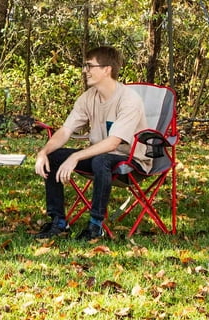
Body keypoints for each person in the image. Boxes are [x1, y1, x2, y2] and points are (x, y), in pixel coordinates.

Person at [34, 46, 150, 241]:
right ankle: (58, 222)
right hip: (100, 156)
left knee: (100, 160)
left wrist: (76, 156)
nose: (85, 70)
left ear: (107, 69)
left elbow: (113, 143)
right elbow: (66, 130)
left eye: (89, 66)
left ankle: (96, 225)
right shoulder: (88, 98)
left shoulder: (129, 99)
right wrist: (43, 152)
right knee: (54, 157)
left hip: (131, 160)